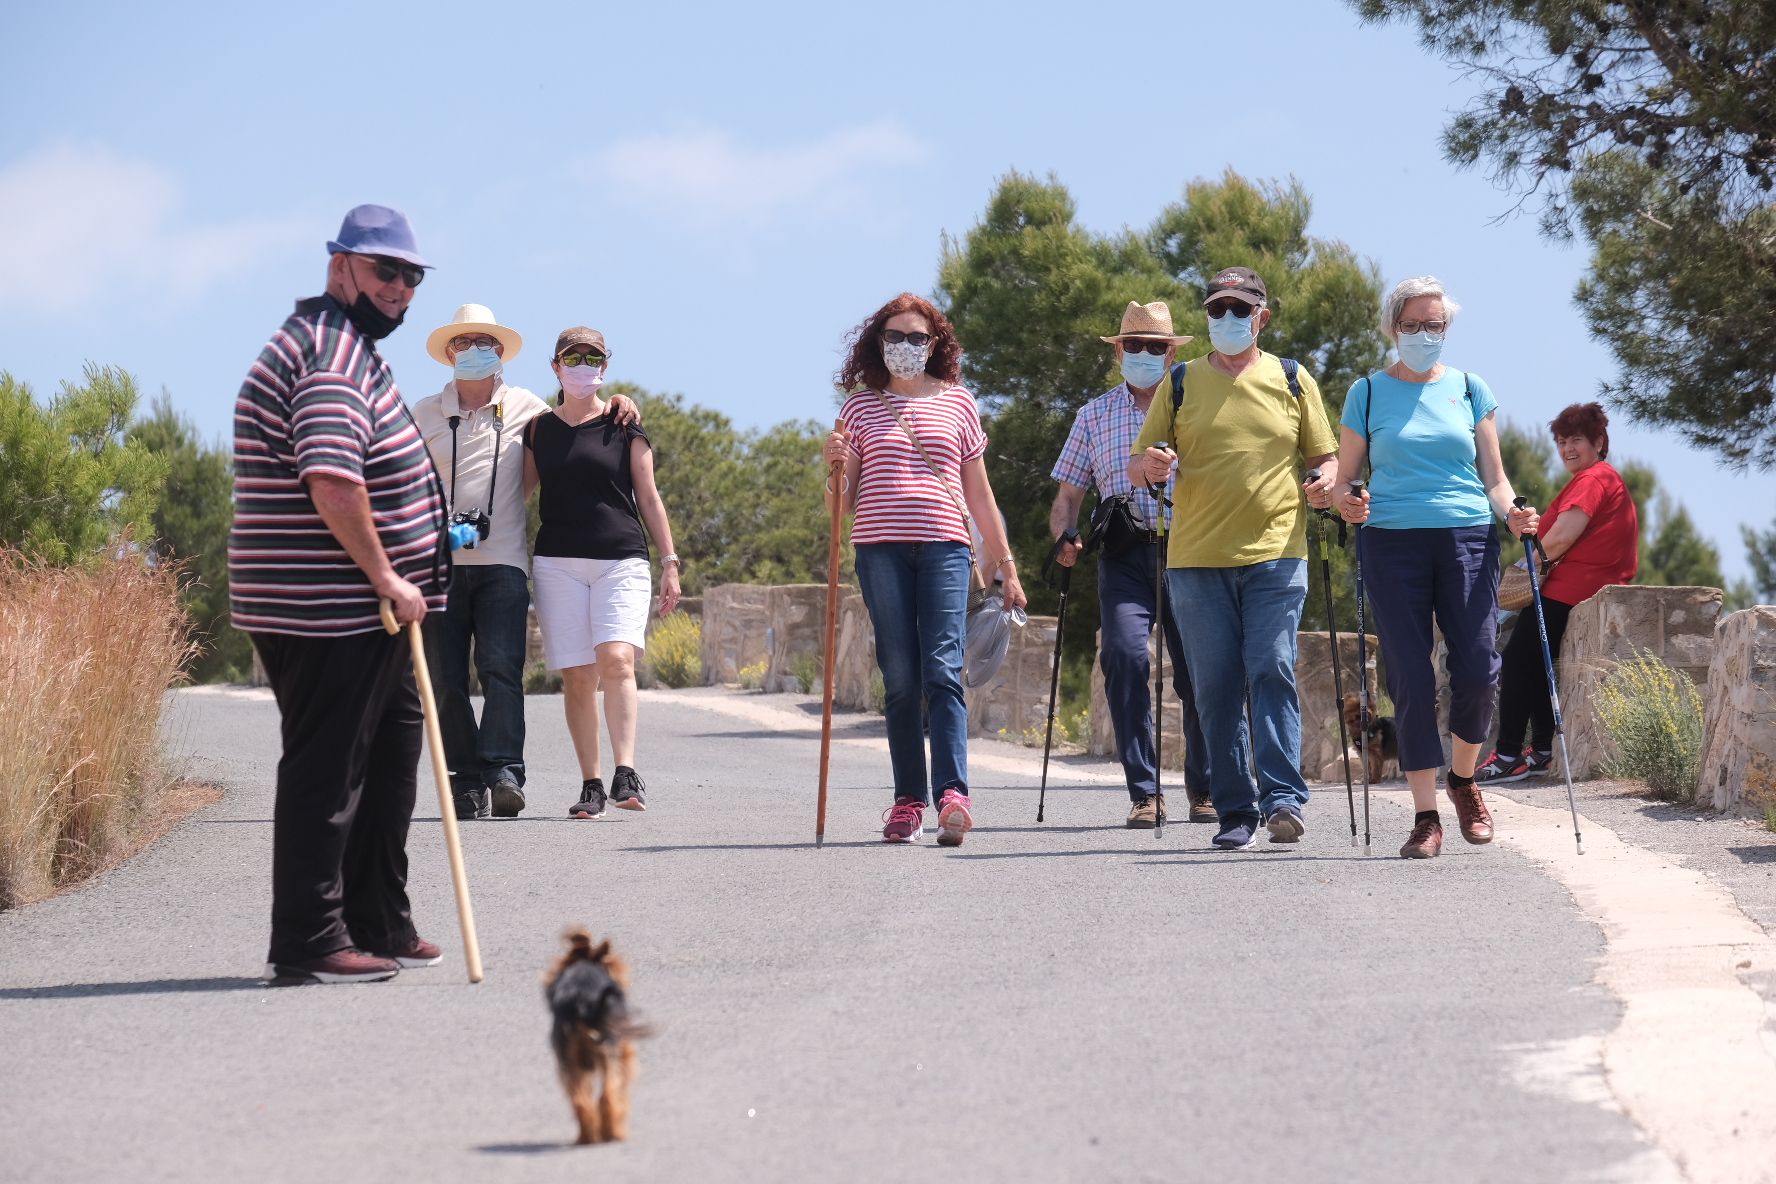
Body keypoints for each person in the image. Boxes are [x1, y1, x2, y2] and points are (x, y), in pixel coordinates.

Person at [230, 204, 447, 984]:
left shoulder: (346, 345)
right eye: (385, 270)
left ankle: (378, 921)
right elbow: (331, 477)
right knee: (329, 767)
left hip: (358, 605)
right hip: (329, 603)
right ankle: (310, 939)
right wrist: (387, 573)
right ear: (340, 266)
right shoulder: (328, 354)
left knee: (390, 751)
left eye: (411, 277)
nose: (399, 289)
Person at [1130, 266, 1337, 851]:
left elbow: (1324, 457)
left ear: (1261, 318)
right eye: (1217, 310)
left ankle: (1282, 800)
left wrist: (1323, 482)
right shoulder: (1180, 382)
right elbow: (1139, 461)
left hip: (1277, 552)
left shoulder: (1294, 379)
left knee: (1270, 666)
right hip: (1195, 557)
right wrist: (1151, 465)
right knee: (1216, 686)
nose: (1226, 320)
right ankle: (1235, 809)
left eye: (1238, 311)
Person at [1331, 276, 1538, 859]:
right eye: (1414, 325)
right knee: (1410, 678)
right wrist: (1349, 502)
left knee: (1476, 668)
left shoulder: (1471, 388)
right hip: (1391, 541)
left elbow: (1495, 479)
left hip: (1466, 536)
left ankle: (1464, 782)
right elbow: (1347, 476)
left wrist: (1514, 514)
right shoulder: (1367, 393)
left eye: (1435, 325)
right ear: (1394, 329)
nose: (1425, 334)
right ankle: (1425, 818)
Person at [413, 307, 638, 820]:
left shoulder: (527, 410)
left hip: (505, 562)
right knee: (446, 680)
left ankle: (503, 774)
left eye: (484, 342)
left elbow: (580, 414)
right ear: (450, 353)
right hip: (438, 564)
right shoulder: (424, 412)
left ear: (500, 351)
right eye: (464, 343)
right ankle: (465, 781)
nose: (474, 350)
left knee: (501, 671)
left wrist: (622, 401)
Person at [823, 293, 1027, 847]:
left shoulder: (959, 402)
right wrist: (835, 468)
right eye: (896, 336)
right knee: (901, 677)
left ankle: (953, 796)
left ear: (934, 344)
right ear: (879, 343)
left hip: (946, 546)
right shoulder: (859, 409)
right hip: (879, 548)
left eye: (917, 337)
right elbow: (840, 508)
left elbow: (979, 493)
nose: (906, 346)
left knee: (942, 669)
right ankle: (908, 800)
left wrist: (1005, 563)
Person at [1051, 301, 1213, 828]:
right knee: (1122, 657)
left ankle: (1205, 789)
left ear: (1171, 354)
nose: (1145, 354)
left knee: (1199, 673)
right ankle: (1145, 792)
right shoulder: (1093, 414)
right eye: (1135, 346)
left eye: (1157, 347)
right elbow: (1068, 497)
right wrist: (1065, 537)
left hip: (1191, 549)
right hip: (1123, 555)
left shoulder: (1197, 406)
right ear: (1119, 351)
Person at [524, 327, 680, 820]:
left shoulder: (624, 425)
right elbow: (514, 496)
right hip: (557, 563)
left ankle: (625, 771)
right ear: (556, 366)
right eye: (574, 357)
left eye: (594, 357)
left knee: (617, 660)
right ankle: (590, 783)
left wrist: (671, 563)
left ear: (605, 366)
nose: (583, 364)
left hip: (621, 559)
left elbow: (649, 498)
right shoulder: (538, 429)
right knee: (577, 674)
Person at [1479, 402, 1638, 783]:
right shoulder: (1595, 478)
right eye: (1561, 441)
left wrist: (1526, 570)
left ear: (1599, 441)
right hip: (1574, 590)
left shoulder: (1595, 479)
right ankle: (1542, 751)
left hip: (1568, 590)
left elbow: (1563, 536)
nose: (1567, 448)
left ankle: (1508, 755)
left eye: (1576, 440)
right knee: (1534, 665)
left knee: (1517, 662)